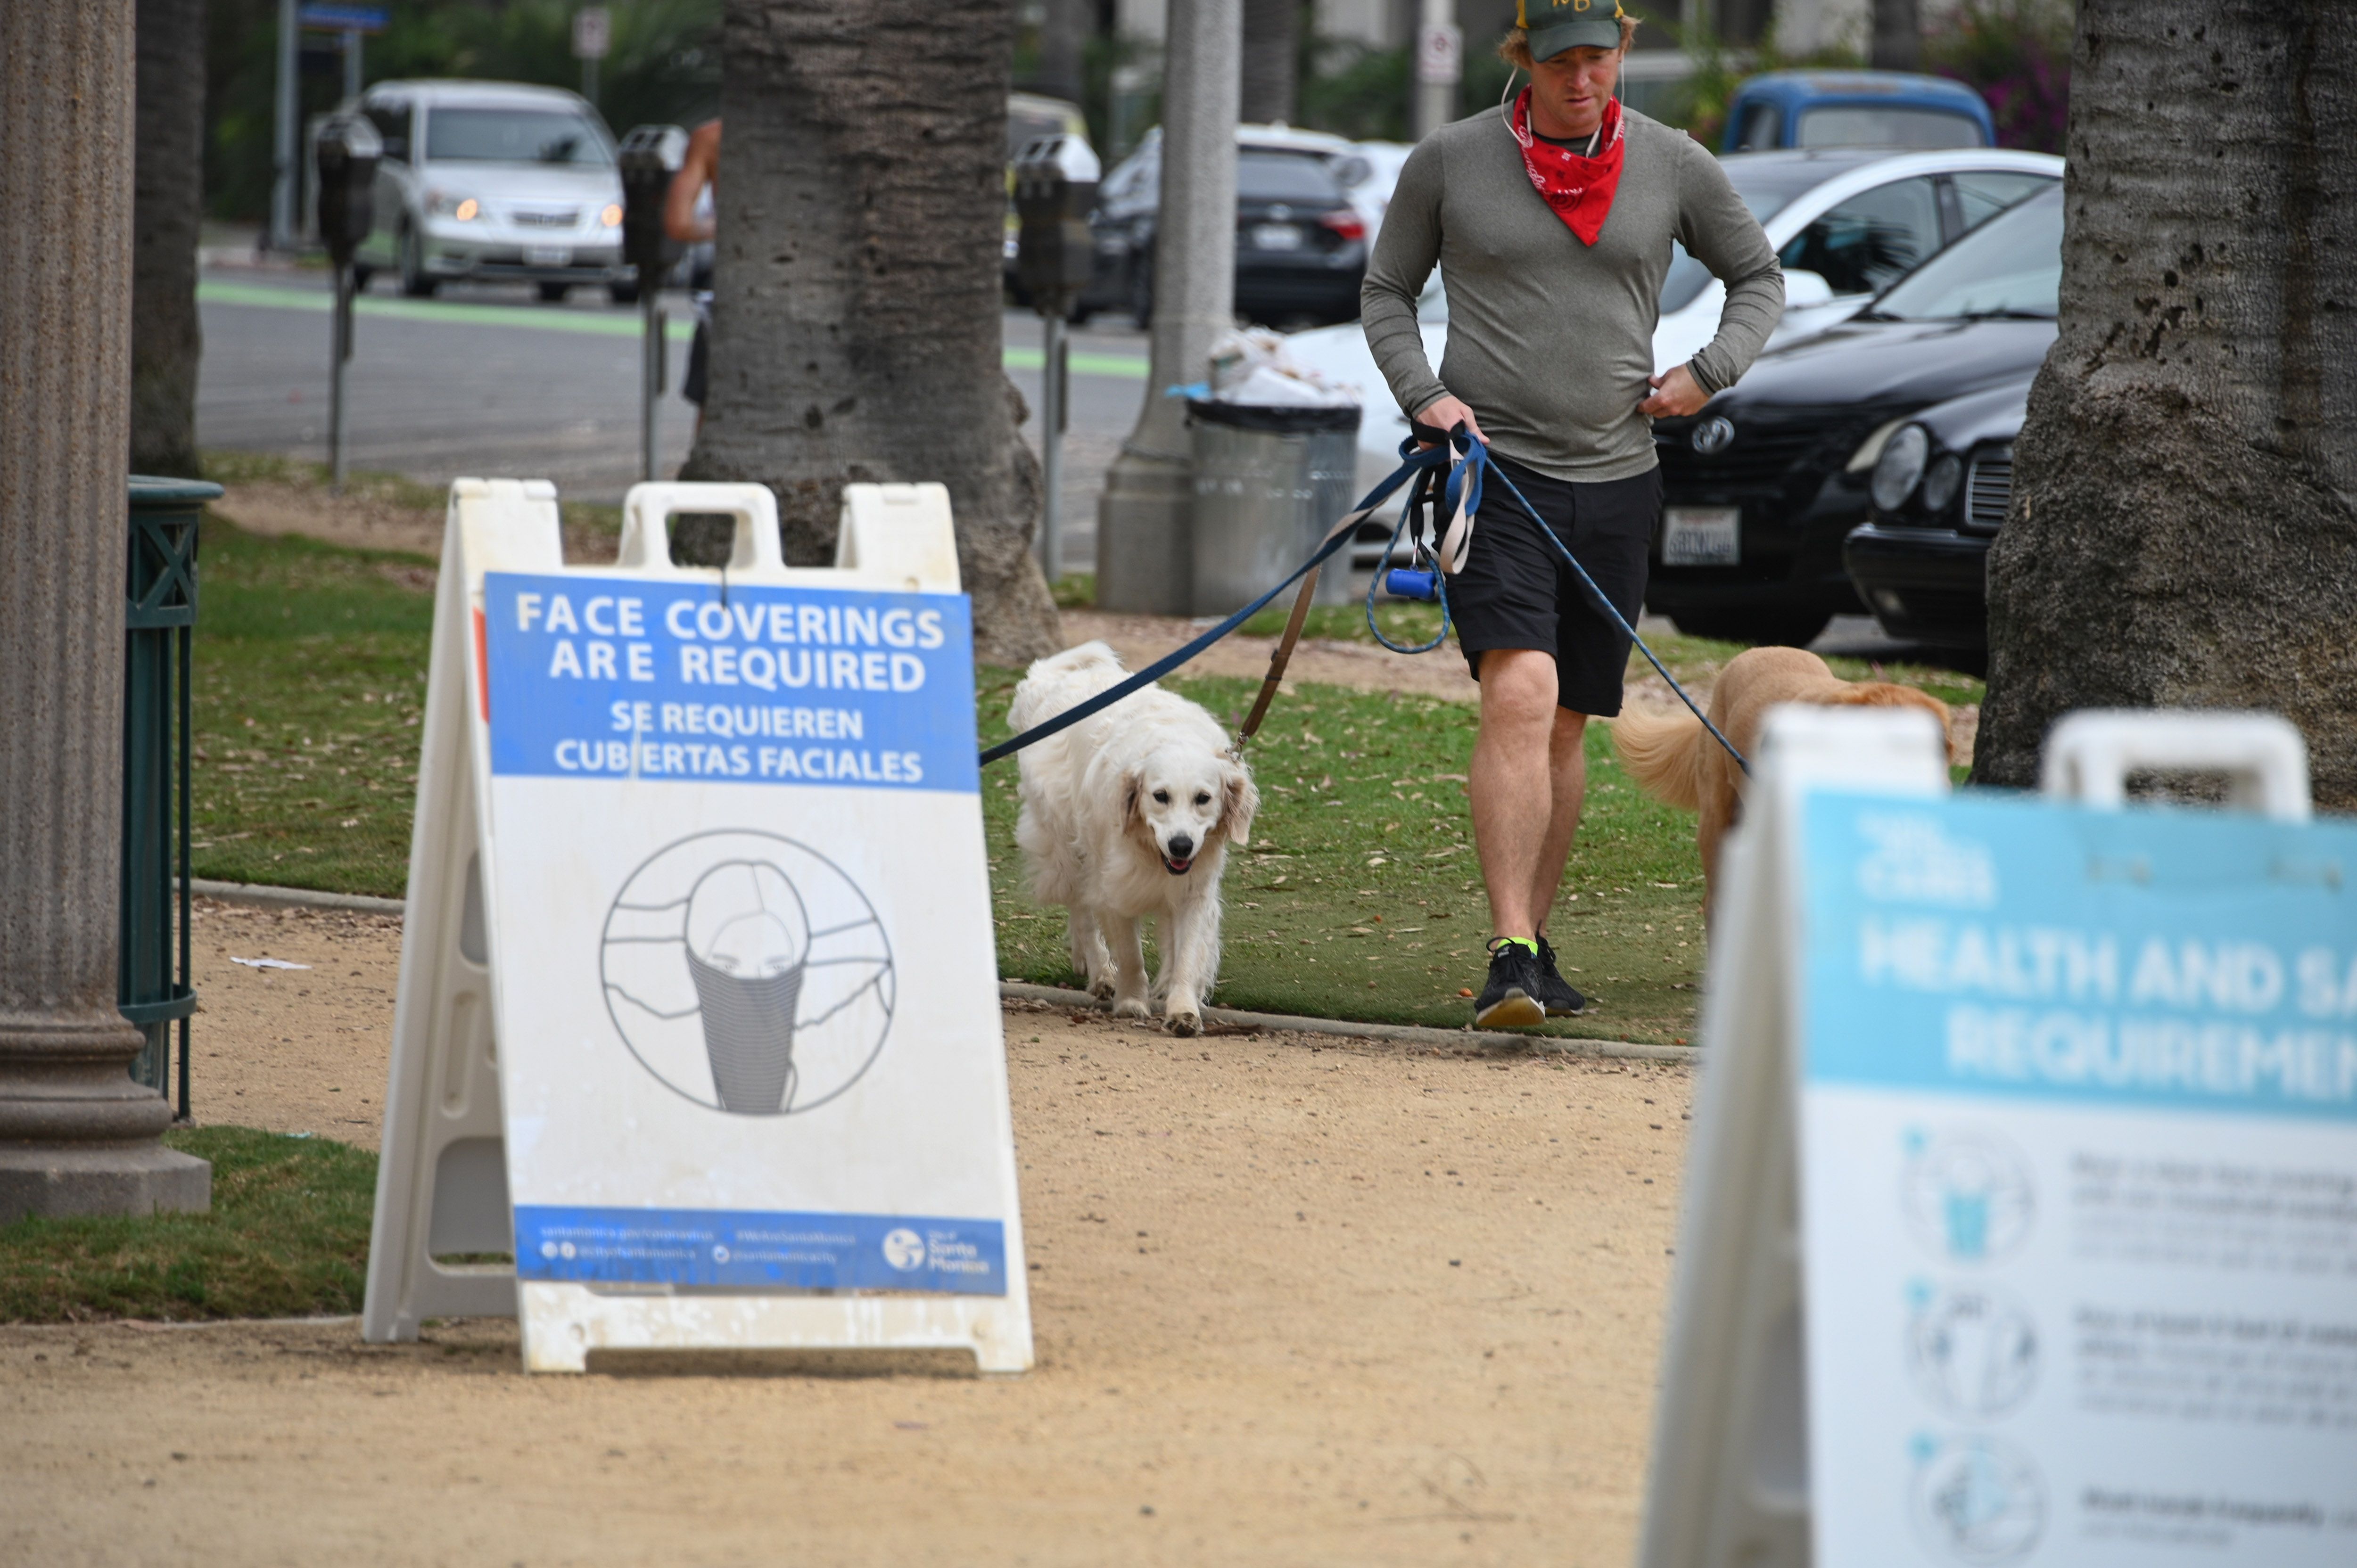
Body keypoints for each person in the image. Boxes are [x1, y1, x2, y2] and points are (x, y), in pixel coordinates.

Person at [1360, 3, 1783, 1028]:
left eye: (1598, 58)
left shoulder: (1672, 163)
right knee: (1521, 689)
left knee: (1564, 721)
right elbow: (1385, 292)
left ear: (1622, 51)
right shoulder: (1451, 161)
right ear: (1523, 58)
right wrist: (1428, 397)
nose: (1581, 79)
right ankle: (1508, 946)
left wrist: (1708, 373)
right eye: (1560, 62)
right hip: (1493, 476)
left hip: (1619, 480)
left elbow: (1758, 278)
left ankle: (1533, 952)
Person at [664, 119, 722, 425]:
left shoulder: (712, 137)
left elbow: (679, 223)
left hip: (730, 283)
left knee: (711, 402)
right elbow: (678, 223)